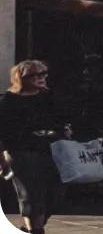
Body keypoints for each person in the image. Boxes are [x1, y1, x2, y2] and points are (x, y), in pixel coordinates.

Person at [0, 61, 68, 234]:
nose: (41, 78)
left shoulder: (48, 97)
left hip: (49, 150)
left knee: (55, 194)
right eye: (36, 75)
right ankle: (35, 229)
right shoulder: (9, 100)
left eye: (44, 74)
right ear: (22, 78)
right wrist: (2, 159)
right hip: (21, 152)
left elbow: (61, 120)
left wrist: (63, 130)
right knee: (31, 195)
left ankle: (32, 228)